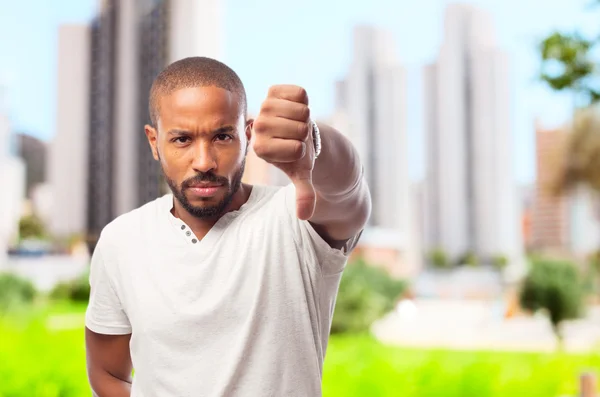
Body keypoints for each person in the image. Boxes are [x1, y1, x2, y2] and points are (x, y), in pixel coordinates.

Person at [84, 56, 371, 397]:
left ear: (247, 135)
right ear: (154, 142)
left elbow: (349, 192)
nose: (204, 161)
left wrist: (314, 144)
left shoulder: (295, 219)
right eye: (181, 140)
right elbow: (107, 373)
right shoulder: (122, 240)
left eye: (222, 137)